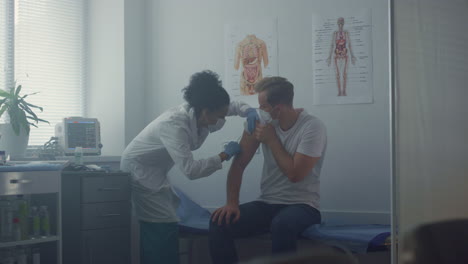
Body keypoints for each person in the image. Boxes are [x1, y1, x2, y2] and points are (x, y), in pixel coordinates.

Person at [120, 70, 259, 264]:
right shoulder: (174, 125)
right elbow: (191, 170)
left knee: (167, 222)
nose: (222, 120)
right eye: (219, 116)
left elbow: (233, 107)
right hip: (140, 171)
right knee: (161, 225)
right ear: (205, 111)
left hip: (158, 170)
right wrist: (224, 155)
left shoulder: (207, 111)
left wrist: (249, 111)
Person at [209, 76, 327, 264]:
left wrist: (272, 140)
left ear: (277, 109)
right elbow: (239, 165)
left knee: (282, 224)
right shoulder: (260, 123)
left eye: (263, 106)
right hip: (268, 203)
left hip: (304, 206)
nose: (259, 111)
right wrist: (232, 203)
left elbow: (295, 175)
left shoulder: (312, 127)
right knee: (219, 222)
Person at [326, 17, 356, 96]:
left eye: (341, 23)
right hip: (336, 55)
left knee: (345, 74)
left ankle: (344, 91)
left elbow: (349, 44)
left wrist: (352, 55)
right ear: (337, 24)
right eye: (339, 23)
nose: (340, 25)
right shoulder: (335, 33)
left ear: (343, 24)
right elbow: (332, 45)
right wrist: (329, 57)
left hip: (345, 55)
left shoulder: (346, 33)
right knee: (338, 74)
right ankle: (339, 91)